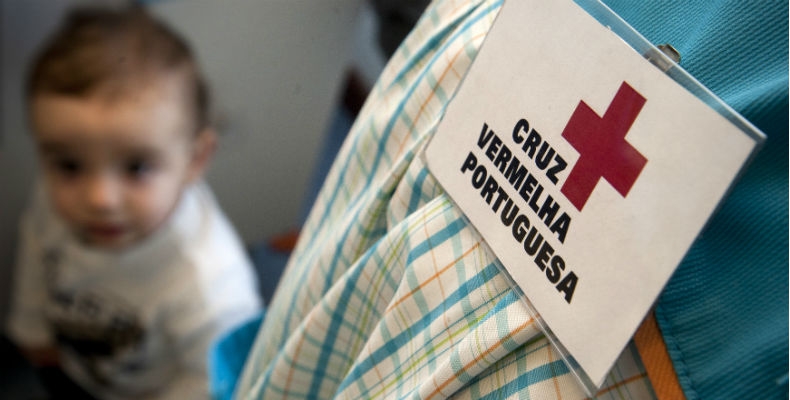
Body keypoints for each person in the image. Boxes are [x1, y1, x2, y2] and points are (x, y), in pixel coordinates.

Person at [5, 5, 262, 399]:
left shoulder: (212, 287)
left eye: (137, 167)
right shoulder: (51, 197)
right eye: (69, 165)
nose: (100, 199)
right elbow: (36, 248)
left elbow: (210, 383)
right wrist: (31, 327)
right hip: (69, 363)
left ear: (195, 159)